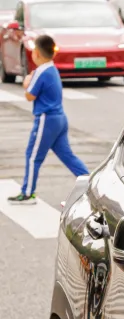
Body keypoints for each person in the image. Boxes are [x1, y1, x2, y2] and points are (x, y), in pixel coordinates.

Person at [8, 35, 87, 205]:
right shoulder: (52, 69)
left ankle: (27, 193)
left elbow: (30, 95)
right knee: (67, 156)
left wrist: (26, 82)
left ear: (36, 52)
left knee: (32, 156)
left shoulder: (41, 71)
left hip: (46, 119)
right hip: (59, 118)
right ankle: (89, 183)